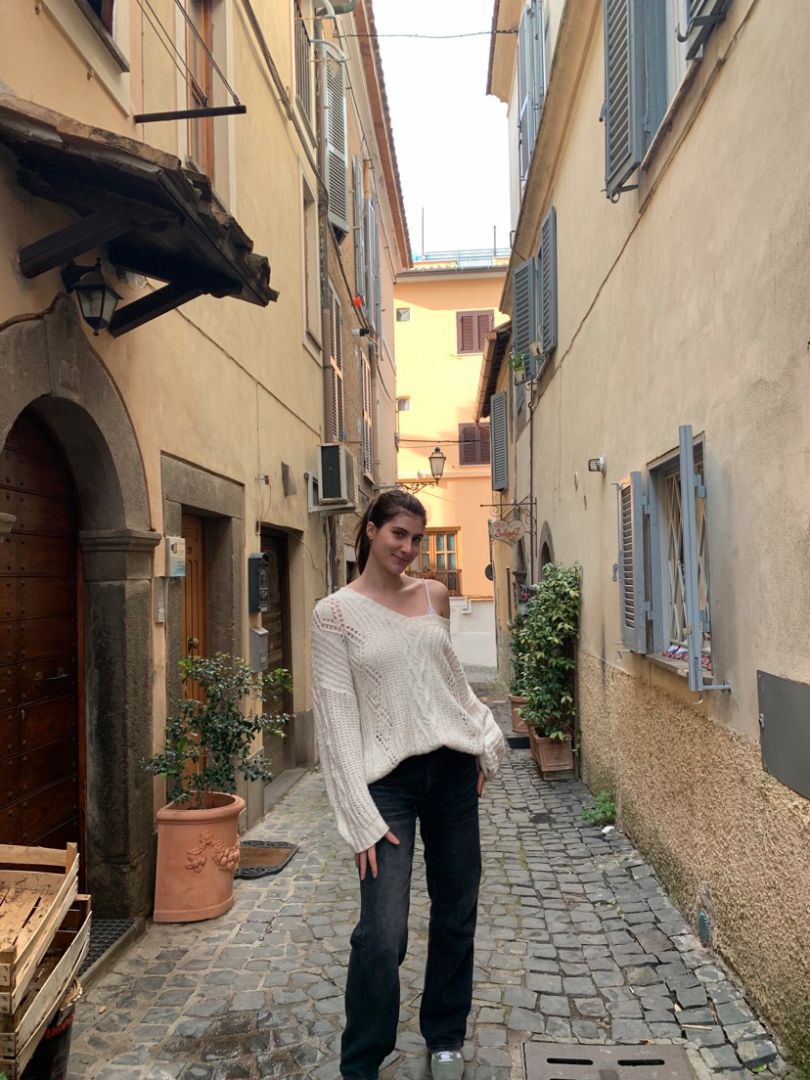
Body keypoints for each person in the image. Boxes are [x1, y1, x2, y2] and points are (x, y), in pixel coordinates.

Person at [310, 489, 505, 1080]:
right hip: (385, 784)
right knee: (382, 931)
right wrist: (357, 816)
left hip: (450, 771)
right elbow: (336, 719)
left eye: (417, 538)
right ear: (369, 530)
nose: (409, 548)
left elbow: (449, 683)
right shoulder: (333, 614)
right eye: (398, 533)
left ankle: (444, 1035)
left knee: (456, 908)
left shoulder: (433, 596)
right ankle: (362, 1060)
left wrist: (479, 742)